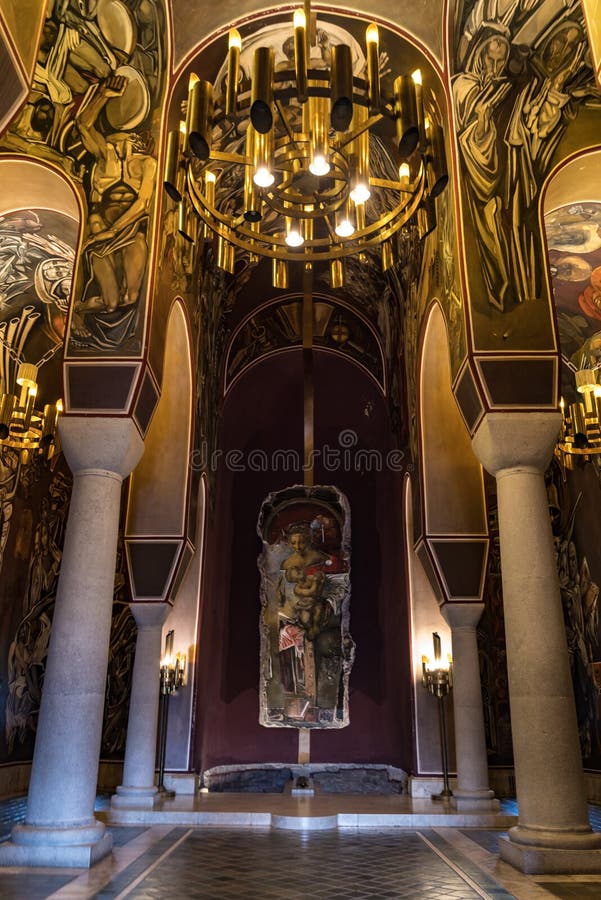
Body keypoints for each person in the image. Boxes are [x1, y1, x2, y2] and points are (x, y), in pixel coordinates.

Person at [75, 73, 156, 316]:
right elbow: (82, 125)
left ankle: (76, 311)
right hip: (100, 226)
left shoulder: (147, 164)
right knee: (111, 303)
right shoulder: (104, 153)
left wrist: (116, 230)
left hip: (129, 231)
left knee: (131, 297)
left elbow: (143, 203)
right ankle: (74, 312)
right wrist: (103, 96)